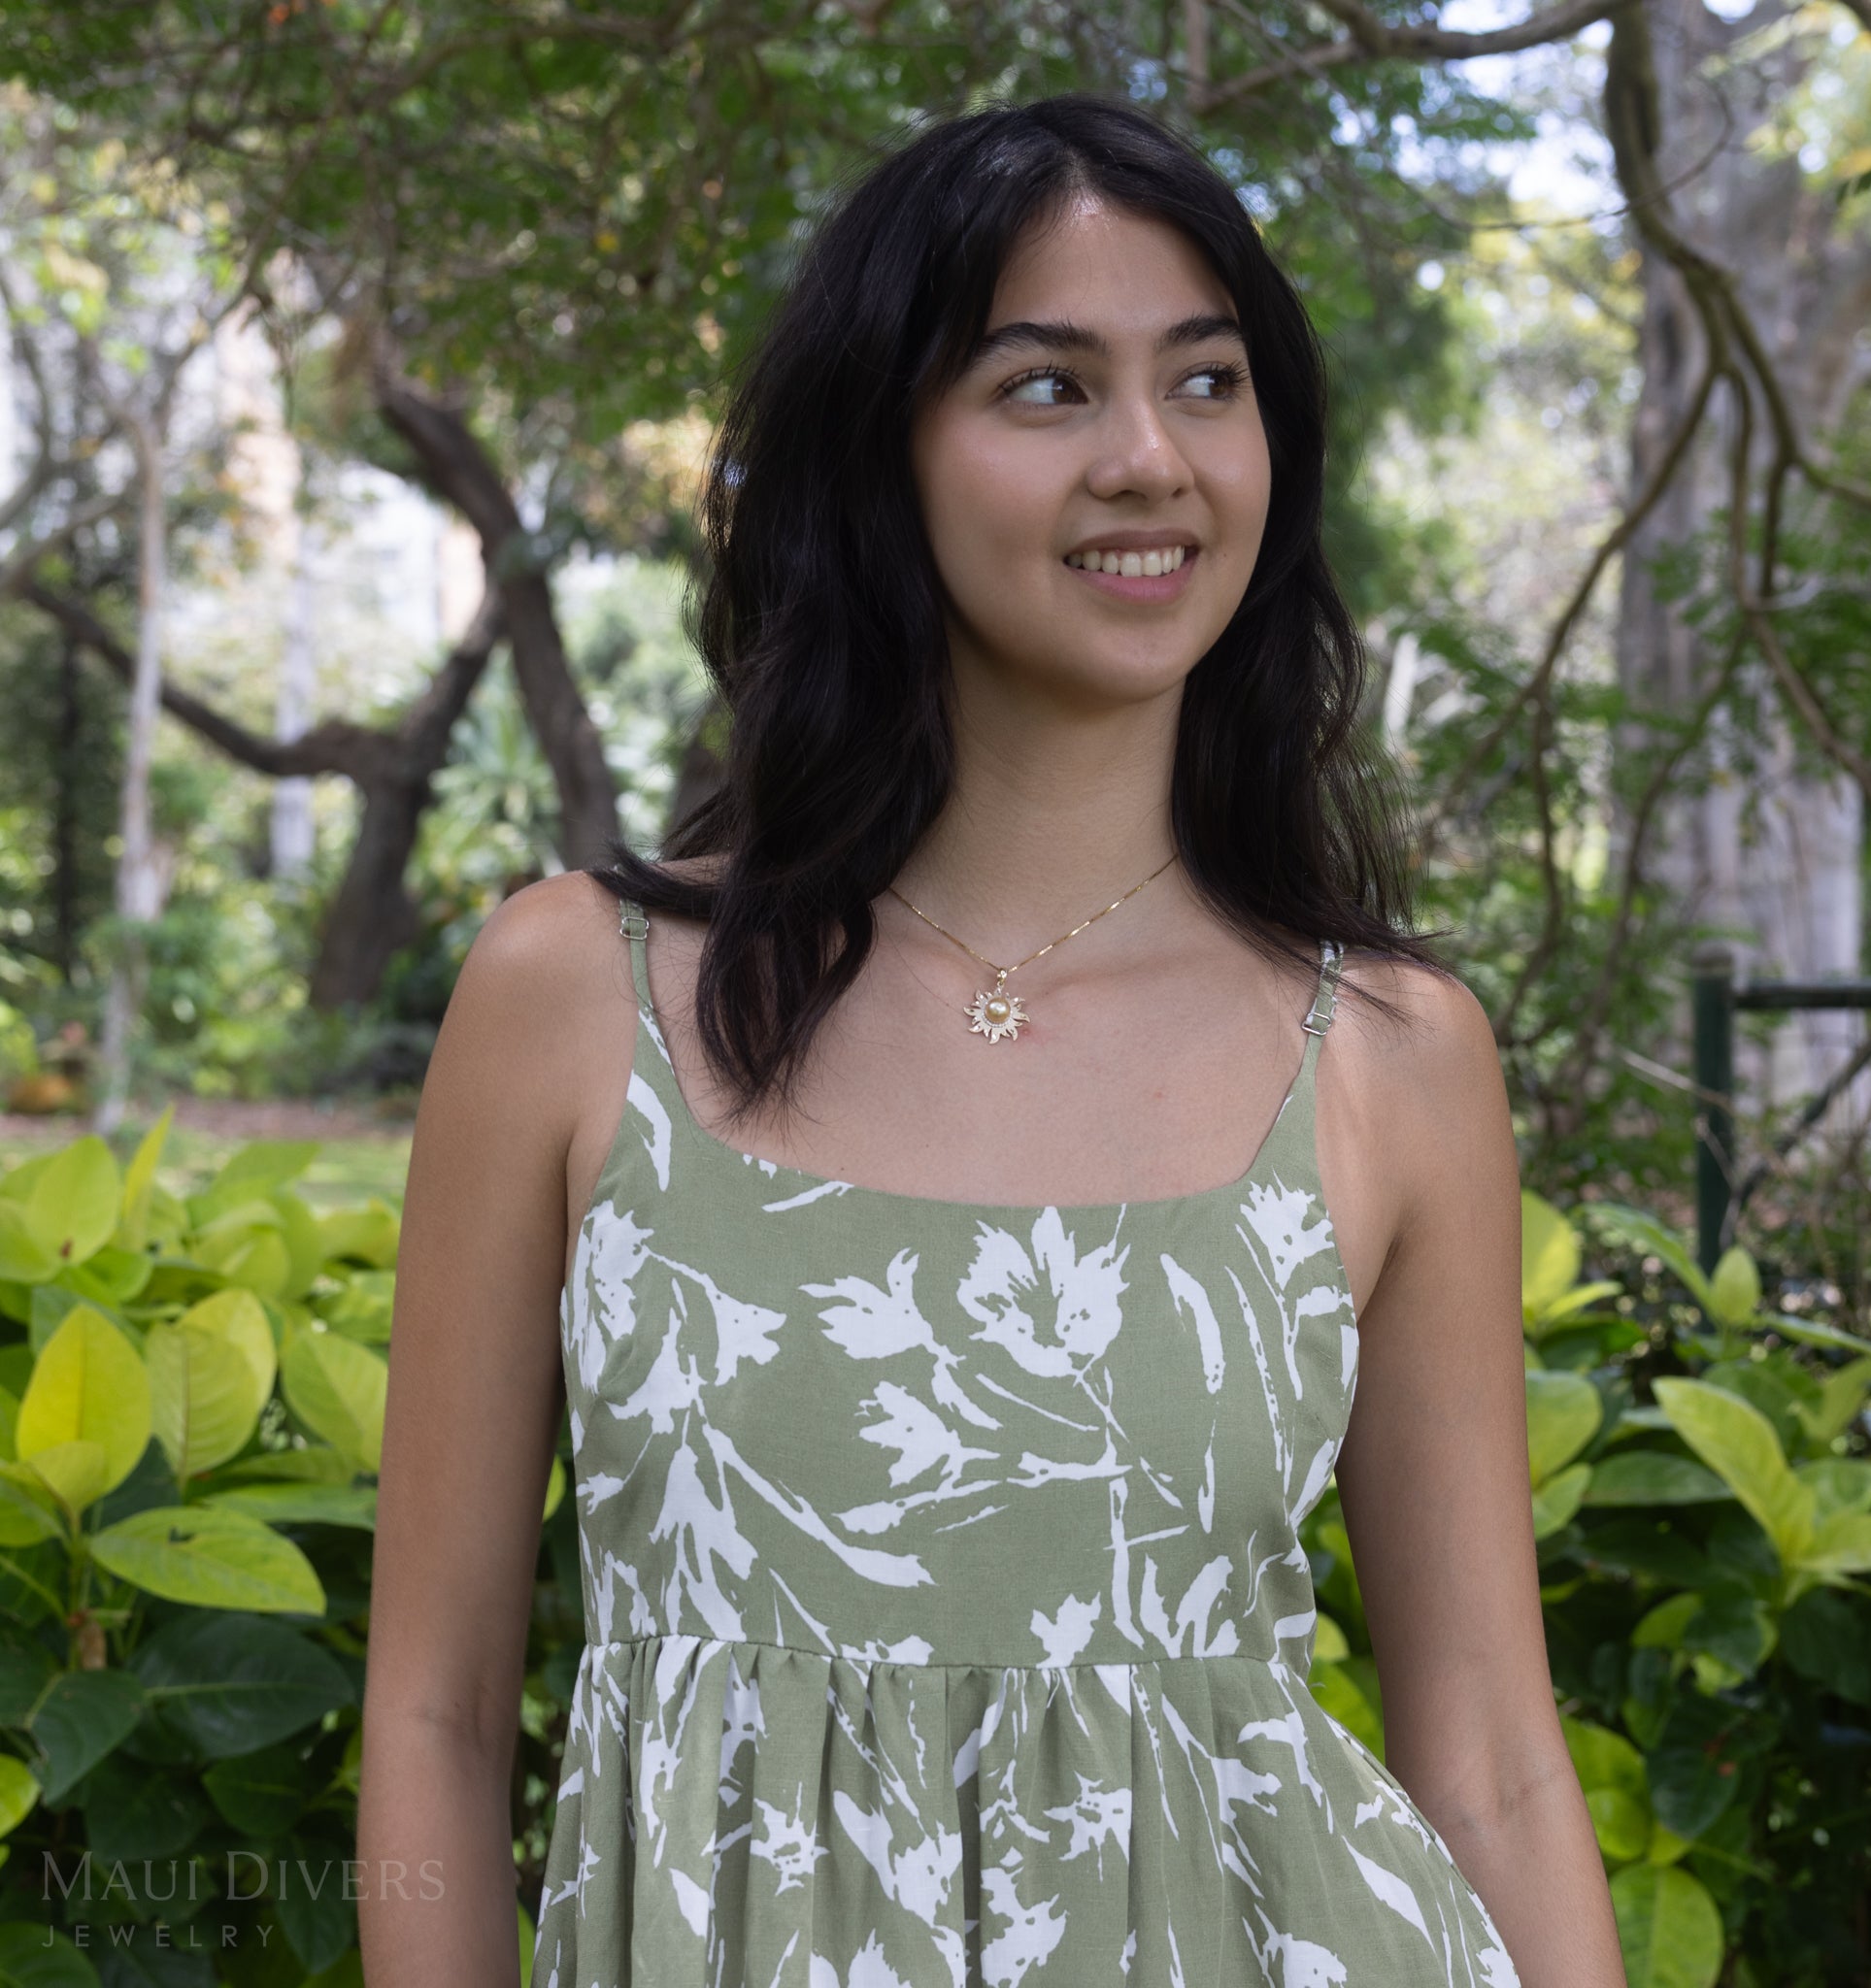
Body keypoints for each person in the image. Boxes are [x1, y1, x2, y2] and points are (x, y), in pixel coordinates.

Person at [357, 93, 1626, 1988]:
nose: (1149, 459)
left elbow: (1495, 1765)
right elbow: (434, 1719)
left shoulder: (1385, 1051)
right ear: (883, 452)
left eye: (1207, 384)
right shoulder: (575, 996)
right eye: (1046, 389)